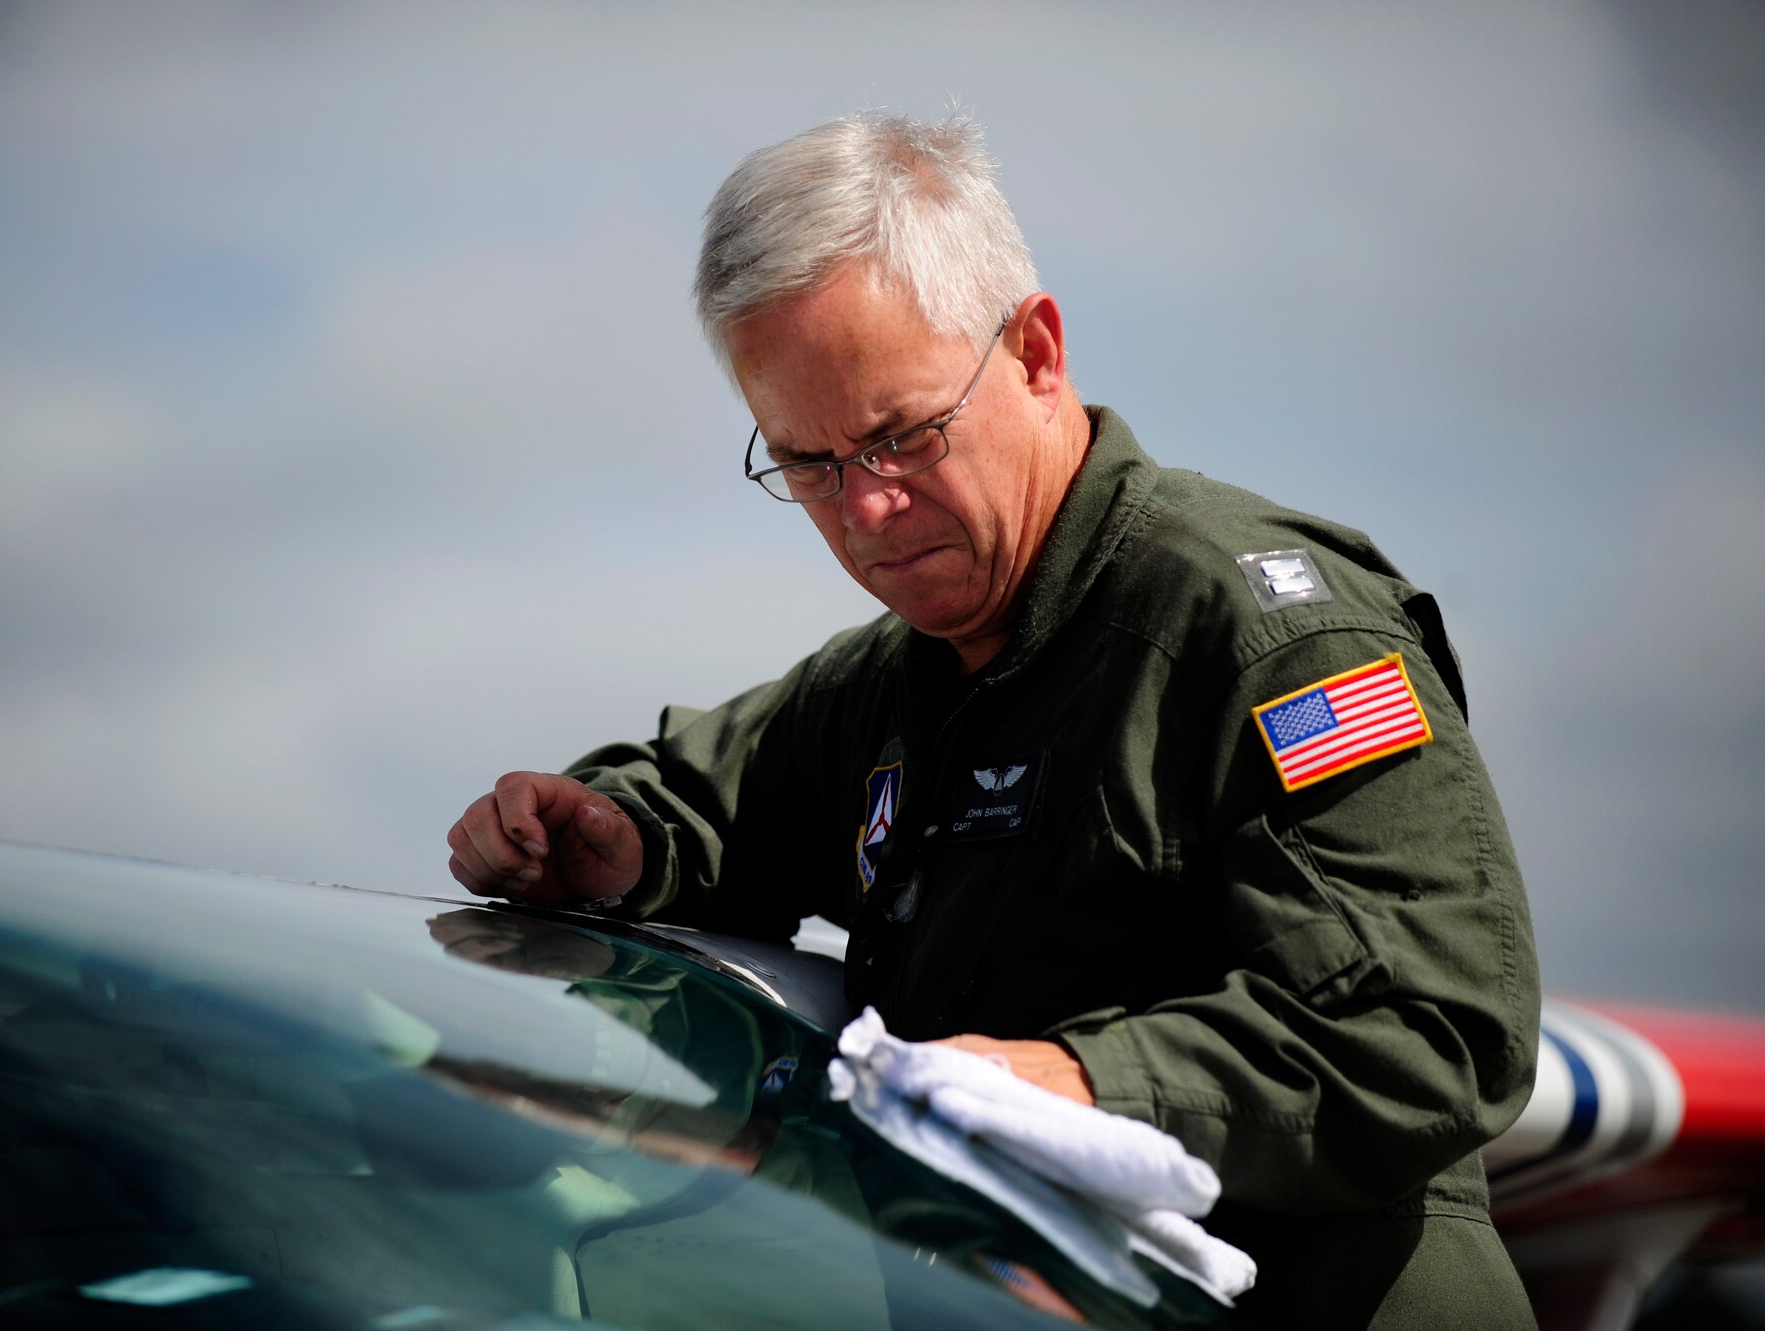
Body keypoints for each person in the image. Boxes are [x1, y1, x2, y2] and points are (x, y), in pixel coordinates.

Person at [446, 111, 1540, 1329]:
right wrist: (608, 837)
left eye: (898, 435)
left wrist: (1076, 1085)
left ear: (1032, 352)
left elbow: (1434, 1019)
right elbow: (703, 799)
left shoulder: (1270, 638)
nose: (864, 508)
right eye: (805, 463)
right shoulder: (888, 688)